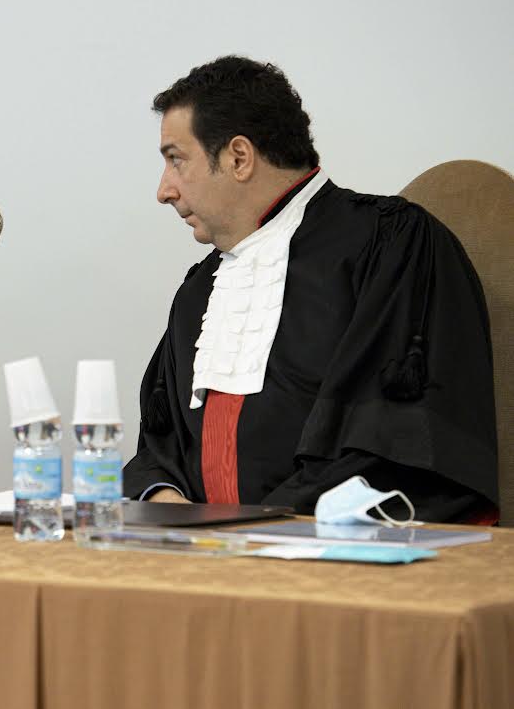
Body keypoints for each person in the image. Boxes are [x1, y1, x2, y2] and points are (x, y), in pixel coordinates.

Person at [123, 56, 498, 523]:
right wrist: (165, 502)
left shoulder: (391, 245)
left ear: (239, 158)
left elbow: (404, 439)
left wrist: (262, 525)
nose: (164, 191)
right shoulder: (201, 290)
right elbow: (161, 447)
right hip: (207, 551)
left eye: (176, 160)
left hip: (337, 551)